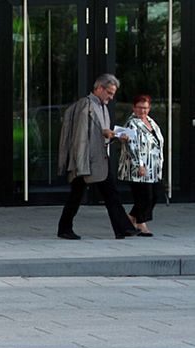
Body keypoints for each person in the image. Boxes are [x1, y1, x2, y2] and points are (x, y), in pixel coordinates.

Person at [56, 74, 137, 240]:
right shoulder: (86, 105)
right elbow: (80, 135)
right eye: (109, 92)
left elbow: (99, 134)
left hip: (97, 159)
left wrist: (112, 136)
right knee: (84, 194)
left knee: (104, 193)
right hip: (86, 160)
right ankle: (122, 228)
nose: (111, 97)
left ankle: (123, 228)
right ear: (99, 88)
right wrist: (79, 162)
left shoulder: (101, 107)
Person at [117, 94, 164, 237]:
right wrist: (139, 165)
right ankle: (141, 223)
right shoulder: (131, 123)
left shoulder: (151, 122)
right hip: (138, 167)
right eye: (139, 107)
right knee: (144, 197)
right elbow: (132, 146)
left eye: (145, 108)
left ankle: (130, 218)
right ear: (134, 108)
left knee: (155, 195)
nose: (142, 111)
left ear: (149, 108)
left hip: (153, 167)